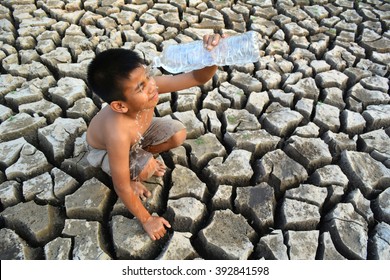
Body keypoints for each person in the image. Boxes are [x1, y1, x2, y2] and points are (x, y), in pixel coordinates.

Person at [86, 33, 225, 241]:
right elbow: (121, 186)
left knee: (178, 134)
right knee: (144, 169)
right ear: (120, 105)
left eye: (148, 76)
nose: (151, 86)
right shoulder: (117, 132)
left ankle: (139, 157)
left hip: (140, 133)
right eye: (140, 87)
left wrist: (214, 56)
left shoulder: (152, 87)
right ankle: (136, 168)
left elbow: (197, 77)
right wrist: (147, 219)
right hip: (105, 151)